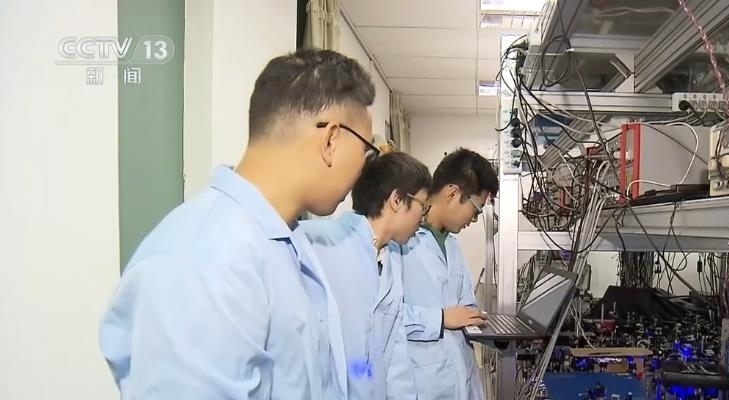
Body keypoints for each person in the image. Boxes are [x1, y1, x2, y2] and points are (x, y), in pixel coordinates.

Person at [98, 48, 378, 399]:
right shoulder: (203, 260)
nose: (363, 167)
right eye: (366, 150)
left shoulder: (283, 243)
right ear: (331, 139)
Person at [297, 151, 431, 400]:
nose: (423, 218)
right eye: (422, 206)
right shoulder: (318, 241)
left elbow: (394, 356)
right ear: (397, 200)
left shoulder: (389, 261)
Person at [391, 148, 500, 400]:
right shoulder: (399, 243)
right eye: (476, 210)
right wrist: (439, 318)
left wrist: (487, 328)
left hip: (462, 375)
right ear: (453, 193)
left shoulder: (451, 244)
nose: (474, 219)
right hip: (425, 384)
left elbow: (464, 307)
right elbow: (385, 316)